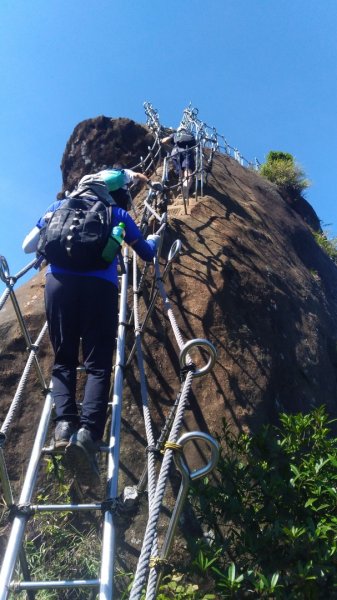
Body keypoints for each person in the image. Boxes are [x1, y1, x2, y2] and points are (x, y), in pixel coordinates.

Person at [22, 169, 160, 486]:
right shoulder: (116, 212)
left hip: (59, 285)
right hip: (101, 288)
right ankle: (88, 435)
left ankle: (63, 428)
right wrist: (153, 238)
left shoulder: (56, 209)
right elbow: (147, 254)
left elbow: (27, 246)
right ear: (105, 193)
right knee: (98, 365)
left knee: (64, 359)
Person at [161, 126, 196, 195]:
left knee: (180, 170)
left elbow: (165, 141)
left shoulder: (176, 134)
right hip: (187, 151)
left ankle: (180, 181)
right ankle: (186, 185)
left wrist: (161, 140)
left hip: (175, 152)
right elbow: (194, 144)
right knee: (188, 170)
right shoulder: (190, 135)